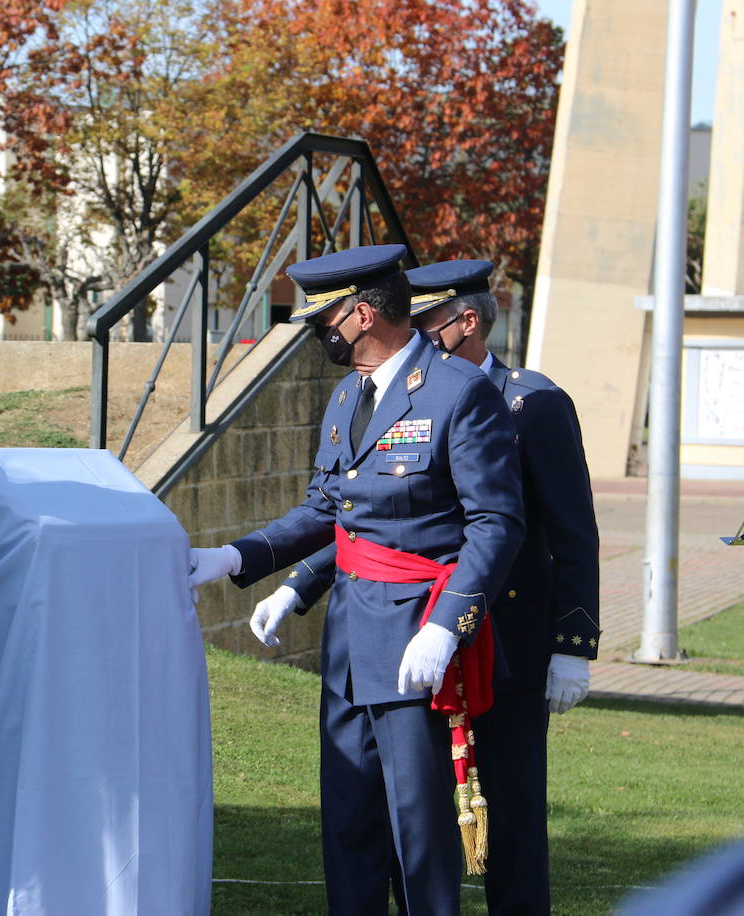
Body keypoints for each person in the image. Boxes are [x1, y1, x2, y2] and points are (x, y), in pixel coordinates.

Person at [188, 245, 524, 915]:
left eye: (324, 323)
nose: (322, 337)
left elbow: (496, 523)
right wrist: (236, 558)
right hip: (349, 644)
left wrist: (444, 625)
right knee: (349, 827)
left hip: (413, 644)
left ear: (362, 315)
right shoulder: (348, 394)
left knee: (419, 836)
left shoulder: (460, 393)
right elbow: (326, 508)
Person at [258, 259, 600, 915]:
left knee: (508, 814)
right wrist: (297, 580)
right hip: (414, 630)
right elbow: (374, 523)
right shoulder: (387, 395)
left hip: (505, 639)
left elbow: (569, 530)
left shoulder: (529, 401)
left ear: (467, 321)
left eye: (429, 318)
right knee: (404, 808)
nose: (413, 328)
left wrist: (572, 641)